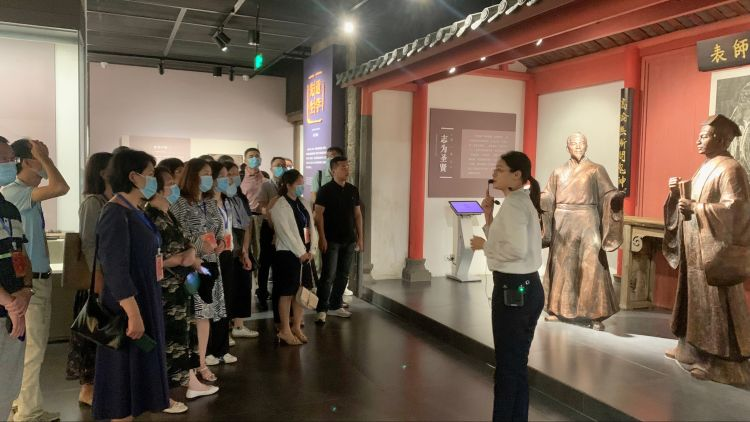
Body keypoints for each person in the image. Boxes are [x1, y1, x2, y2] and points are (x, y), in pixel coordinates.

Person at [663, 114, 750, 385]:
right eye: (699, 135)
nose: (698, 140)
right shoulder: (705, 167)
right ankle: (690, 348)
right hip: (695, 245)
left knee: (716, 304)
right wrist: (676, 195)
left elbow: (737, 210)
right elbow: (690, 202)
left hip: (714, 251)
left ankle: (721, 363)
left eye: (704, 136)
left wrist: (697, 208)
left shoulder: (731, 169)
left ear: (721, 139)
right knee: (693, 298)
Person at [92, 149, 169, 420]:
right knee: (122, 379)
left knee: (138, 374)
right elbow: (115, 270)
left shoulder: (135, 210)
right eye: (150, 174)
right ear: (133, 176)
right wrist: (133, 313)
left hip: (145, 296)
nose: (154, 180)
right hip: (127, 305)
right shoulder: (115, 213)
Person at [469, 151, 544, 422]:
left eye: (500, 169)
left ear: (517, 176)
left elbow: (515, 250)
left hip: (514, 290)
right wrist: (489, 216)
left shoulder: (515, 205)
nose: (494, 173)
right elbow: (509, 243)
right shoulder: (518, 202)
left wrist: (484, 245)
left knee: (507, 368)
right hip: (526, 288)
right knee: (516, 365)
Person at [4, 138, 69, 422]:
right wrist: (45, 158)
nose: (45, 162)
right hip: (29, 285)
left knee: (31, 348)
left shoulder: (26, 194)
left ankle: (26, 405)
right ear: (28, 161)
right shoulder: (15, 192)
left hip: (36, 281)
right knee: (33, 349)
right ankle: (27, 411)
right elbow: (61, 187)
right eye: (40, 156)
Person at [145, 167, 218, 411]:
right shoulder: (151, 216)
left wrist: (191, 255)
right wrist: (179, 259)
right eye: (169, 183)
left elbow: (187, 246)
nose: (174, 186)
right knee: (168, 340)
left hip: (180, 285)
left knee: (183, 335)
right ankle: (163, 394)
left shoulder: (168, 214)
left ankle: (188, 381)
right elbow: (155, 257)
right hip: (165, 287)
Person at [540, 132, 624, 331]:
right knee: (562, 266)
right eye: (574, 143)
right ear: (567, 147)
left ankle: (595, 313)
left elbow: (608, 193)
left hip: (587, 220)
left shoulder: (596, 169)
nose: (578, 146)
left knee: (592, 265)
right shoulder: (558, 172)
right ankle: (557, 309)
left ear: (587, 146)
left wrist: (615, 197)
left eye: (582, 143)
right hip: (563, 222)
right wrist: (540, 197)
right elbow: (548, 194)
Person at [170, 158, 227, 381]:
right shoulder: (179, 203)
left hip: (212, 263)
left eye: (210, 174)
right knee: (192, 314)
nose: (208, 178)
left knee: (206, 315)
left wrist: (220, 242)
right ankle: (190, 366)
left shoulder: (210, 202)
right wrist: (197, 245)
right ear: (191, 175)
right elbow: (177, 233)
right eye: (204, 173)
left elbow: (219, 227)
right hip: (191, 265)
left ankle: (202, 362)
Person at [65, 152, 112, 407]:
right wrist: (98, 276)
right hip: (96, 279)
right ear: (103, 172)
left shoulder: (112, 200)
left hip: (110, 277)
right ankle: (88, 387)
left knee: (107, 331)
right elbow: (89, 243)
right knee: (92, 332)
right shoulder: (93, 203)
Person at [0, 136, 33, 422]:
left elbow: (20, 253)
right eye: (4, 159)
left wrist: (26, 290)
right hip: (7, 307)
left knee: (7, 388)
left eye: (12, 159)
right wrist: (8, 301)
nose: (11, 164)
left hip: (13, 313)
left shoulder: (8, 208)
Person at [269, 169, 316, 345]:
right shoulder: (280, 205)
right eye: (298, 184)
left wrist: (312, 250)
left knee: (301, 292)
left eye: (303, 183)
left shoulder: (303, 203)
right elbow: (285, 232)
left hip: (305, 254)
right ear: (288, 185)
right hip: (288, 254)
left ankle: (296, 326)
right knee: (286, 293)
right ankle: (285, 330)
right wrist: (300, 252)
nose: (301, 187)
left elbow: (311, 227)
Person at [313, 156, 363, 323]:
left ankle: (335, 305)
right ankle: (322, 308)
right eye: (342, 167)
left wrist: (360, 238)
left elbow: (357, 215)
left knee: (344, 274)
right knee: (328, 275)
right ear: (333, 170)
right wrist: (322, 237)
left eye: (348, 166)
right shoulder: (325, 190)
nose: (346, 169)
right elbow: (318, 215)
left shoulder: (352, 190)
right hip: (331, 239)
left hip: (349, 239)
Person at [204, 161, 238, 365]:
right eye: (223, 176)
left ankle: (222, 348)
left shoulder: (226, 202)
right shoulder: (205, 203)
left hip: (226, 254)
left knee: (226, 302)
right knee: (212, 303)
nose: (228, 179)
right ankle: (209, 349)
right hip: (211, 256)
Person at [222, 161, 257, 339]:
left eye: (236, 173)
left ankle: (239, 324)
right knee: (226, 290)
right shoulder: (218, 198)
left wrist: (245, 250)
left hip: (240, 250)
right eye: (229, 174)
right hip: (225, 250)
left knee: (242, 286)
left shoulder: (240, 197)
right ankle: (224, 329)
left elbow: (247, 225)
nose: (233, 177)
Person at [254, 156, 286, 313]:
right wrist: (273, 221)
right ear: (271, 168)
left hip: (284, 229)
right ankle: (262, 294)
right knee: (265, 262)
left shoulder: (288, 185)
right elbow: (262, 207)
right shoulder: (266, 185)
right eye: (277, 165)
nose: (281, 168)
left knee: (280, 263)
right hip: (269, 228)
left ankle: (278, 295)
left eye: (283, 165)